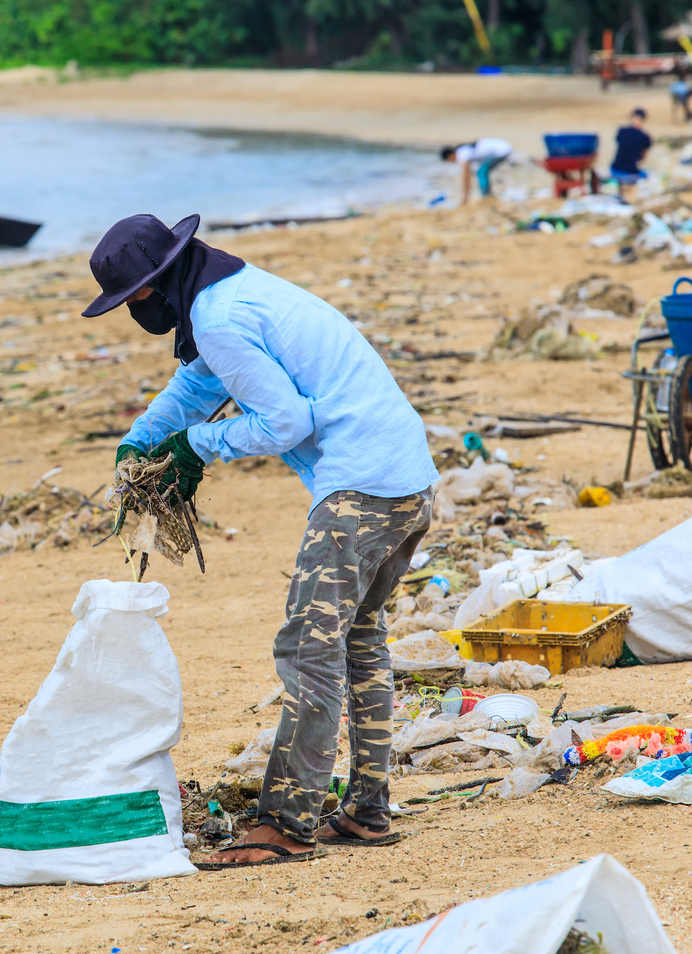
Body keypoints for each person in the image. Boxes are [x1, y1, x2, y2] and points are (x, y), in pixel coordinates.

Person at [82, 214, 438, 869]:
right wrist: (142, 438)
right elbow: (197, 386)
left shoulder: (218, 318)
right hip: (407, 482)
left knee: (308, 651)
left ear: (157, 286)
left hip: (362, 488)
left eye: (131, 300)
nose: (133, 311)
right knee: (357, 641)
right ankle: (365, 811)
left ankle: (286, 824)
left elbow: (282, 421)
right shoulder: (228, 294)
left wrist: (195, 446)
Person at [440, 138, 512, 205]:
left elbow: (466, 177)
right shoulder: (464, 150)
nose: (452, 162)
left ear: (450, 156)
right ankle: (487, 195)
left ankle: (487, 197)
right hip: (502, 147)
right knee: (481, 171)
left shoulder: (462, 153)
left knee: (481, 172)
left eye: (449, 160)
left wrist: (465, 198)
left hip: (501, 151)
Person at [611, 108, 652, 198]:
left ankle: (622, 190)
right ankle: (632, 193)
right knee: (647, 175)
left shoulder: (621, 131)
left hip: (614, 170)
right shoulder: (645, 137)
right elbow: (642, 158)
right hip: (631, 174)